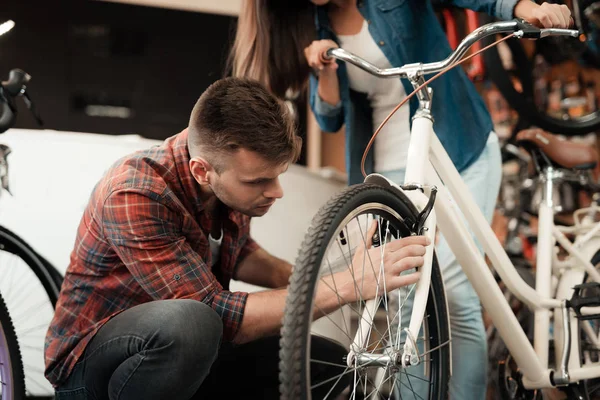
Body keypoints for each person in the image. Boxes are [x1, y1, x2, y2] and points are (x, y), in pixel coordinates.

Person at [229, 1, 572, 398]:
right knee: (409, 295)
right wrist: (324, 72)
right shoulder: (313, 23)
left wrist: (522, 6)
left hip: (459, 152)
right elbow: (328, 119)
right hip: (393, 172)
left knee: (457, 292)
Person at [44, 77, 429, 400]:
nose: (276, 191)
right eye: (259, 181)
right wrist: (345, 286)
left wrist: (334, 273)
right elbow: (218, 316)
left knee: (328, 361)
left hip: (187, 355)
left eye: (277, 175)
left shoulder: (221, 182)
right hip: (92, 369)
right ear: (201, 170)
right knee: (192, 322)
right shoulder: (133, 192)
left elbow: (240, 254)